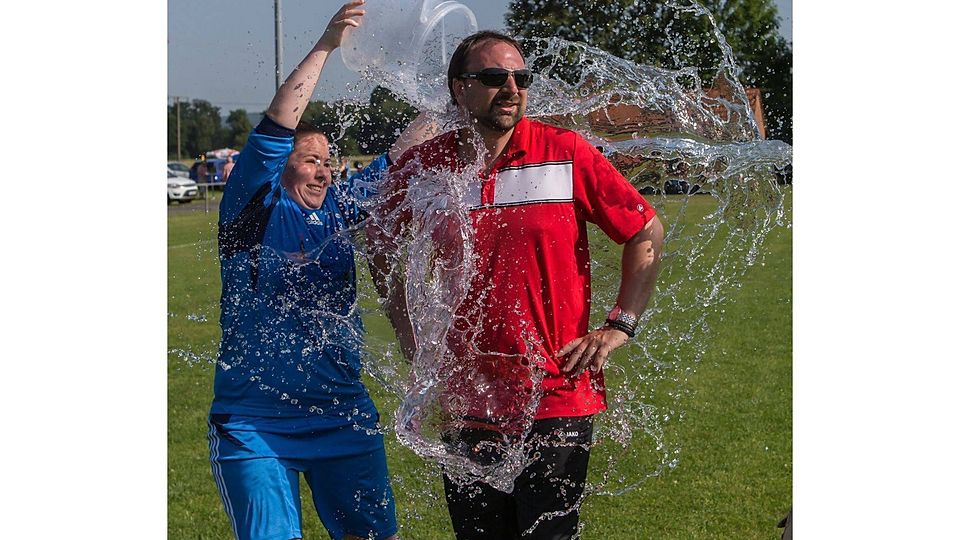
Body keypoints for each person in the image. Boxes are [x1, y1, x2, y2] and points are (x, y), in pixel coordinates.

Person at [372, 30, 665, 539]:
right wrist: (412, 341)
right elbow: (380, 245)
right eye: (494, 77)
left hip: (556, 390)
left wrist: (620, 324)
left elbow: (645, 230)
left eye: (521, 77)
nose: (511, 88)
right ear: (459, 88)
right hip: (466, 398)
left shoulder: (565, 152)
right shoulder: (426, 166)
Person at [208, 2, 436, 539]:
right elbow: (277, 122)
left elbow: (404, 153)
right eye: (311, 159)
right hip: (255, 422)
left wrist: (446, 98)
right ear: (277, 166)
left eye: (329, 161)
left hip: (343, 414)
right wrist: (327, 45)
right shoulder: (250, 209)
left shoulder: (339, 207)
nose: (324, 171)